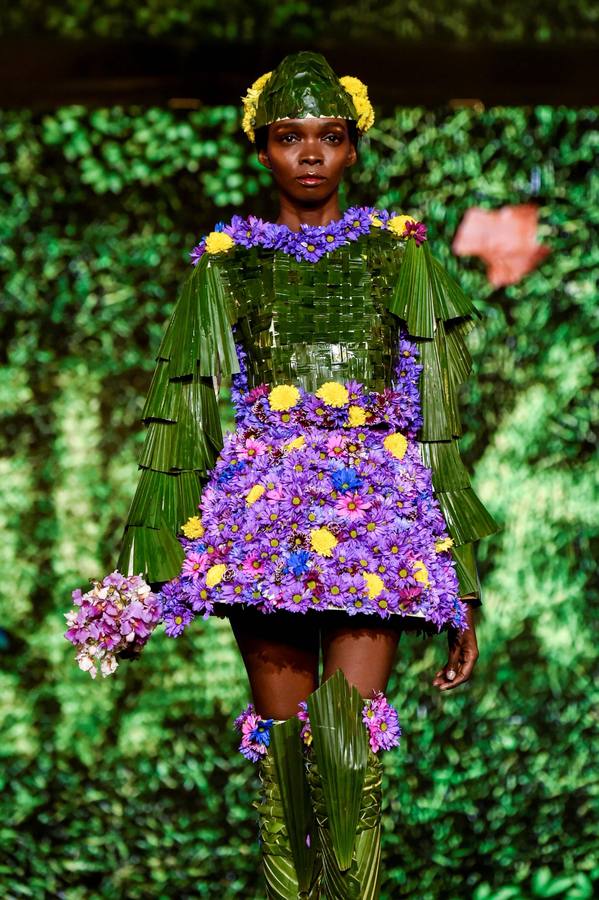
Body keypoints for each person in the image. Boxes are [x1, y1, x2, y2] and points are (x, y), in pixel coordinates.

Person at [114, 51, 499, 899]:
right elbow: (186, 419)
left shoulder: (399, 255)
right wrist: (142, 580)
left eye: (329, 136)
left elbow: (437, 429)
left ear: (354, 148)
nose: (311, 154)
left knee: (348, 743)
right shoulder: (224, 265)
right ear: (263, 150)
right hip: (260, 517)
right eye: (291, 137)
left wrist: (460, 578)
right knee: (286, 752)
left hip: (379, 519)